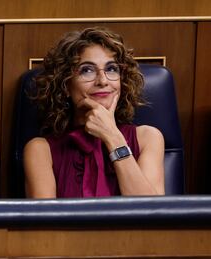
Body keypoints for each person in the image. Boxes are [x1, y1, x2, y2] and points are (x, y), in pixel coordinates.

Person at [23, 27, 165, 198]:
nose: (103, 81)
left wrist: (112, 137)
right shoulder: (40, 150)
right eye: (87, 70)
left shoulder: (148, 138)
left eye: (112, 69)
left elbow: (150, 215)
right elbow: (45, 223)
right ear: (66, 85)